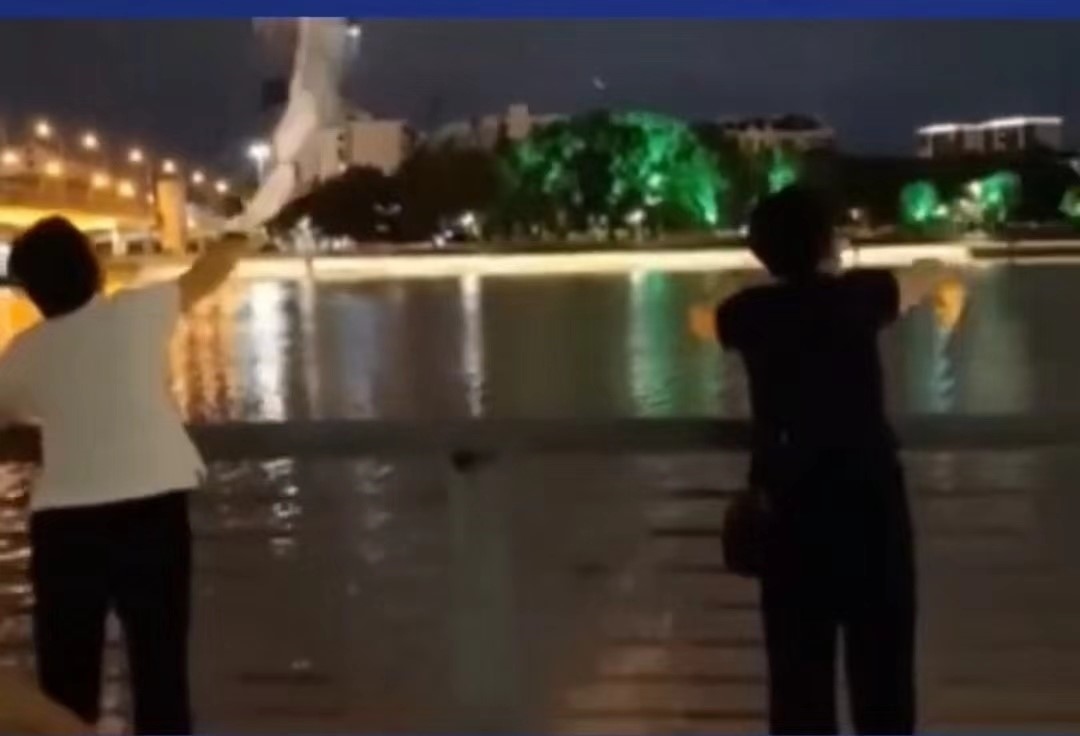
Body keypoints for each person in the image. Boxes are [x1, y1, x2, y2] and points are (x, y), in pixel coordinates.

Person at [692, 186, 963, 735]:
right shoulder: (859, 297)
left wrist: (733, 284)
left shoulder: (751, 314)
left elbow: (702, 319)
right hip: (869, 511)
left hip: (789, 514)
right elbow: (932, 274)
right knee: (884, 680)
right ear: (827, 243)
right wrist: (949, 294)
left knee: (798, 686)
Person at [0, 217, 246, 735]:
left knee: (67, 688)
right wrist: (239, 235)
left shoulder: (22, 354)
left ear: (31, 292)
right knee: (161, 675)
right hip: (153, 508)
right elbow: (209, 271)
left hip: (66, 524)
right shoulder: (139, 311)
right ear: (94, 267)